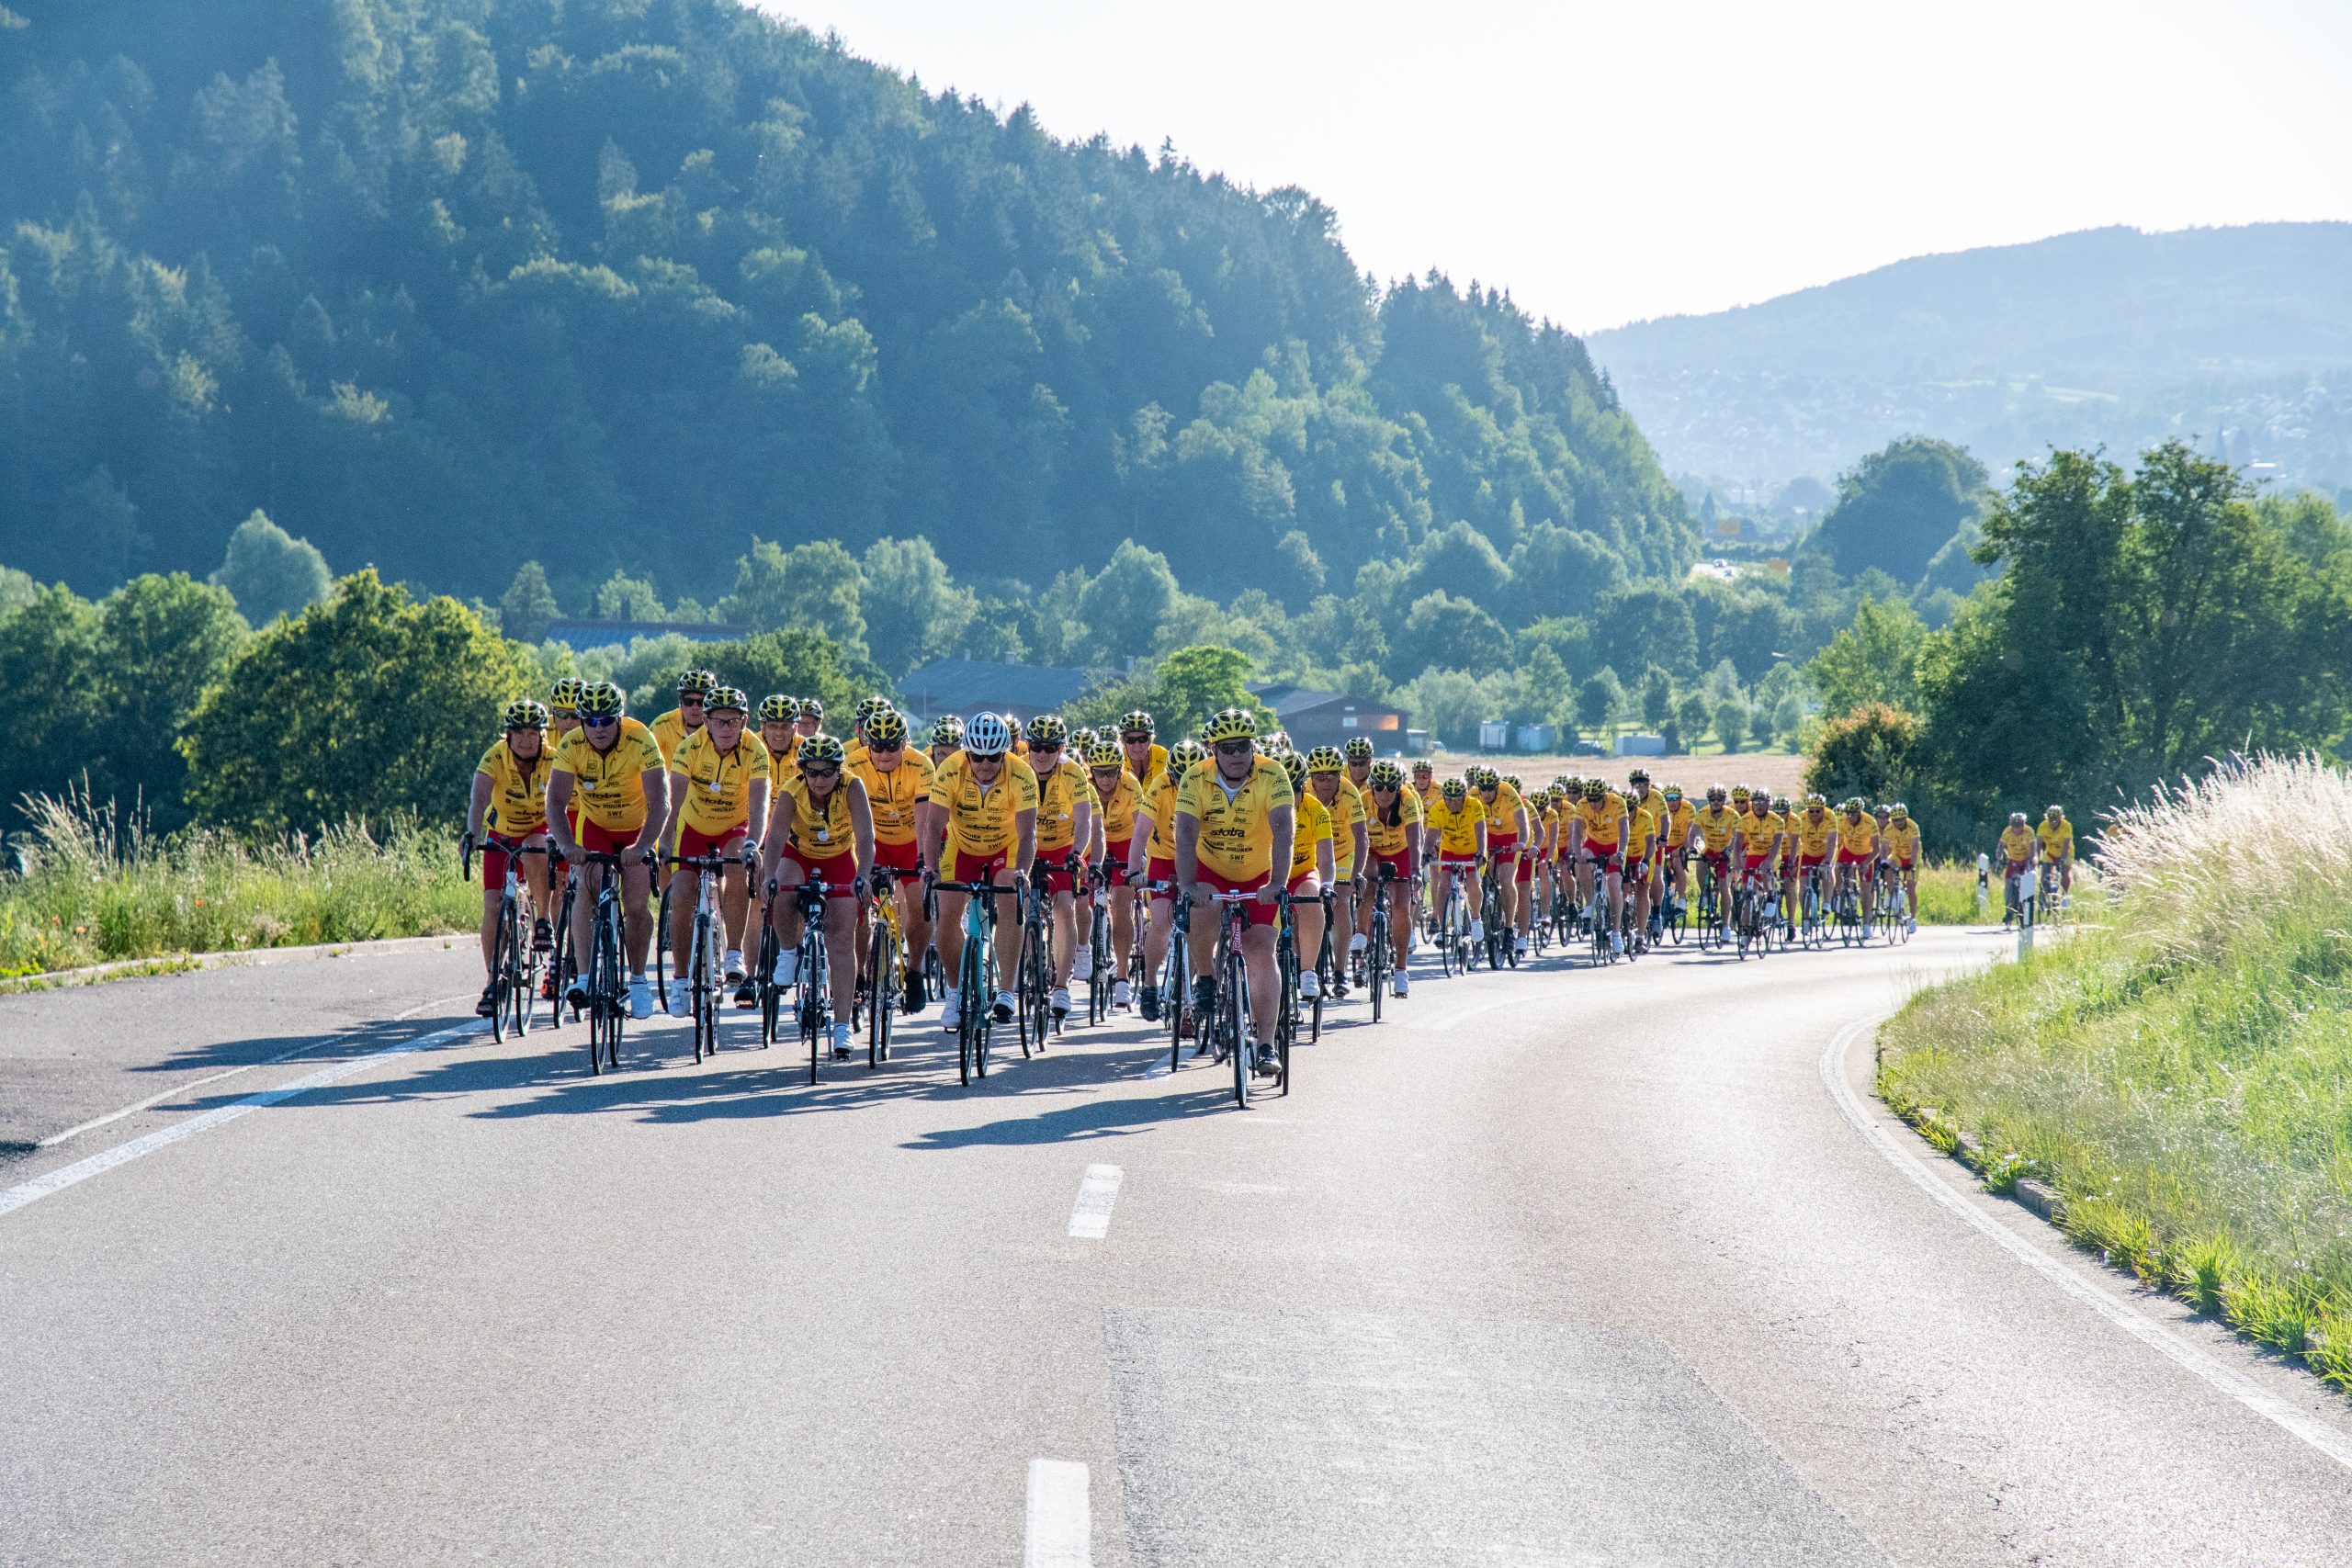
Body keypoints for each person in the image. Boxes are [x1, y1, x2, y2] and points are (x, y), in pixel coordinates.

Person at [1174, 708, 1295, 1077]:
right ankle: (1207, 977)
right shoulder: (1195, 778)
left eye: (1244, 745)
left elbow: (1283, 832)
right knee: (1201, 908)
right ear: (1214, 750)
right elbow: (1185, 835)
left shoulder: (1273, 774)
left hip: (1260, 875)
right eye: (1228, 748)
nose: (1237, 754)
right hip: (1212, 869)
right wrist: (1189, 885)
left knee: (1261, 951)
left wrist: (1276, 885)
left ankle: (1265, 1044)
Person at [547, 681, 670, 1020]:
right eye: (591, 721)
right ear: (582, 721)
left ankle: (639, 978)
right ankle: (584, 977)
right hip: (596, 827)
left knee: (635, 903)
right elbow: (555, 803)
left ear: (619, 718)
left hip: (638, 828)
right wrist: (567, 845)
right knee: (585, 886)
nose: (598, 729)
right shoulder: (571, 745)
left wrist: (643, 845)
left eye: (606, 720)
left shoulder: (641, 739)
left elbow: (661, 804)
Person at [922, 712, 1038, 1032]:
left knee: (1010, 906)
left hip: (1006, 848)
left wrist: (1023, 872)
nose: (985, 764)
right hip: (962, 848)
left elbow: (1028, 834)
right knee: (946, 916)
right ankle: (955, 990)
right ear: (967, 753)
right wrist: (930, 868)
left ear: (1005, 754)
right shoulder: (949, 770)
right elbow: (933, 827)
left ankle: (1006, 991)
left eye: (993, 757)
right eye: (977, 756)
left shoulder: (1022, 774)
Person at [762, 732, 873, 1059]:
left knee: (841, 939)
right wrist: (768, 876)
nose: (819, 779)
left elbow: (866, 837)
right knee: (782, 888)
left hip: (838, 857)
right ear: (803, 771)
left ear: (839, 771)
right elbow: (777, 837)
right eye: (813, 772)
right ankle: (787, 952)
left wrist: (862, 877)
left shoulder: (853, 787)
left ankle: (841, 1026)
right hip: (800, 854)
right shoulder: (791, 791)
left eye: (827, 772)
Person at [662, 686, 770, 1012]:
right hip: (694, 826)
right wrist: (666, 841)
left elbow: (759, 804)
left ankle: (734, 952)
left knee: (738, 864)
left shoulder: (756, 750)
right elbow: (674, 801)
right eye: (719, 721)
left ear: (744, 722)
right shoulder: (689, 747)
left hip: (733, 827)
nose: (726, 728)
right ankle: (681, 979)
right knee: (680, 896)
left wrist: (753, 842)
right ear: (705, 722)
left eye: (733, 721)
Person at [463, 698, 554, 1016]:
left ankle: (543, 920)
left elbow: (567, 800)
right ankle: (492, 980)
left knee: (537, 845)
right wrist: (472, 835)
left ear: (543, 735)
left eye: (533, 733)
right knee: (492, 905)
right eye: (519, 733)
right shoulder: (494, 758)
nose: (527, 739)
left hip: (538, 829)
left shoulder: (553, 759)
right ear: (508, 735)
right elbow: (478, 801)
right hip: (501, 833)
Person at [852, 705, 937, 1011]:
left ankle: (914, 971)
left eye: (892, 745)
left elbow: (925, 820)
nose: (884, 753)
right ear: (867, 744)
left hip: (910, 841)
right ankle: (859, 975)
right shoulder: (854, 765)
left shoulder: (921, 765)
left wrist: (923, 859)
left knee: (920, 908)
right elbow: (849, 819)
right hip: (872, 842)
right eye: (877, 745)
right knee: (858, 908)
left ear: (905, 743)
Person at [1023, 713, 1097, 1019]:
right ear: (1027, 746)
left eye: (1050, 748)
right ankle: (1025, 960)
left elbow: (1085, 820)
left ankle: (1062, 986)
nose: (1042, 754)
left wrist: (1078, 853)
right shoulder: (1017, 769)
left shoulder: (1074, 774)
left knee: (1065, 908)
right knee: (1021, 907)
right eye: (1037, 747)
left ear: (1061, 749)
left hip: (1062, 848)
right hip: (1025, 845)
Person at [1130, 738, 1205, 1022]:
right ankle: (1149, 986)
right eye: (1177, 779)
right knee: (1161, 921)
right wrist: (1134, 870)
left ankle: (1189, 990)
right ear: (1170, 774)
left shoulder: (1211, 783)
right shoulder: (1160, 785)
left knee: (1197, 926)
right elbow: (1140, 833)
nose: (1183, 785)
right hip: (1163, 859)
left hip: (1199, 860)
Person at [1085, 737, 1144, 1008]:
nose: (1105, 778)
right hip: (1094, 841)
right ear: (1092, 771)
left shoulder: (1131, 785)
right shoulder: (1084, 788)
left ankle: (1122, 977)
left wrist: (1139, 860)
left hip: (1124, 844)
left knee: (1121, 905)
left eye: (1111, 772)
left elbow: (1140, 826)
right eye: (1100, 772)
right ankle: (1094, 939)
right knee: (1084, 899)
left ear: (1120, 771)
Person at [1305, 747, 1367, 997]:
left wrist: (1355, 876)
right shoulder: (1304, 791)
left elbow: (1362, 838)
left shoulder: (1350, 793)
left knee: (1341, 900)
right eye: (1319, 777)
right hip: (1311, 854)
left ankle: (1340, 971)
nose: (1325, 782)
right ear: (1311, 777)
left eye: (1331, 776)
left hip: (1342, 854)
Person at [1360, 761, 1420, 997]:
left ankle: (1401, 970)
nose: (1385, 794)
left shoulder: (1408, 800)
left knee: (1401, 905)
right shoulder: (1363, 800)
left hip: (1401, 852)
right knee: (1368, 885)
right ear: (1372, 787)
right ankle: (1361, 937)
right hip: (1372, 851)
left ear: (1398, 788)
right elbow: (1357, 838)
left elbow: (1416, 839)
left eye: (1390, 788)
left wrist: (1415, 871)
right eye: (1380, 788)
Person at [1281, 752, 1338, 999]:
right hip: (1267, 874)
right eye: (1282, 788)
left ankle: (1308, 972)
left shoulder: (1316, 810)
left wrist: (1327, 884)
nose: (1288, 796)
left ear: (1302, 786)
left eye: (1293, 788)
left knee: (1314, 899)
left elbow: (1325, 855)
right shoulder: (1260, 807)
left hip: (1302, 873)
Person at [1474, 766, 1532, 957]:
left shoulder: (1508, 792)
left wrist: (1522, 842)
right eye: (1483, 788)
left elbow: (1523, 824)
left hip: (1509, 837)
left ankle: (1508, 930)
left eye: (1490, 788)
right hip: (1488, 835)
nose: (1486, 792)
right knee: (1477, 874)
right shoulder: (1473, 795)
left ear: (1497, 786)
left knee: (1507, 880)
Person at [1423, 777, 1487, 950]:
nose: (1452, 802)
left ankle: (1475, 919)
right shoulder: (1438, 809)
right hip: (1450, 848)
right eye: (1448, 798)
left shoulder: (1474, 805)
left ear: (1464, 797)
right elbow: (1430, 837)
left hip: (1473, 849)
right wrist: (1426, 852)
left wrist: (1480, 853)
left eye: (1456, 799)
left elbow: (1481, 831)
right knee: (1443, 884)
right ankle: (1443, 929)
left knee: (1473, 881)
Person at [1575, 776, 1630, 955]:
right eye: (1589, 799)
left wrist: (1620, 853)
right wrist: (1576, 854)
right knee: (1582, 857)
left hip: (1614, 844)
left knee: (1614, 885)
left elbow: (1624, 830)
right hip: (1594, 843)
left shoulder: (1617, 802)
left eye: (1595, 799)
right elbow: (1577, 831)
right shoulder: (1582, 805)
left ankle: (1615, 934)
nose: (1592, 803)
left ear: (1604, 796)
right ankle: (1590, 904)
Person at [650, 669, 718, 766]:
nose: (695, 707)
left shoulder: (722, 729)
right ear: (680, 702)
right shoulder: (661, 726)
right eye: (689, 702)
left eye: (701, 702)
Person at [1882, 802, 1922, 933]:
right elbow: (1884, 846)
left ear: (1905, 818)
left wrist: (1911, 863)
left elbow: (1915, 846)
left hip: (1912, 856)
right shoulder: (1889, 828)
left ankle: (1913, 918)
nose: (1898, 823)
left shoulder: (1913, 826)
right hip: (1897, 854)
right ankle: (1892, 895)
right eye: (1895, 820)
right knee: (1888, 865)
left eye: (1900, 820)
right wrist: (1883, 860)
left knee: (1910, 887)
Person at [1997, 810, 2037, 925]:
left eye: (2019, 826)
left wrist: (2031, 860)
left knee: (2028, 881)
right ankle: (2009, 912)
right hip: (2013, 859)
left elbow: (2033, 848)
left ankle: (2026, 909)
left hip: (2026, 859)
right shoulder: (2007, 832)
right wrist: (1999, 858)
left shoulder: (2029, 831)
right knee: (2009, 885)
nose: (2017, 829)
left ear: (2023, 825)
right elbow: (2000, 847)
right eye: (2014, 827)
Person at [2038, 805, 2075, 898]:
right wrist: (2037, 858)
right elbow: (2038, 843)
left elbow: (2066, 844)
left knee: (2065, 874)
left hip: (2066, 853)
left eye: (2055, 819)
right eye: (2050, 819)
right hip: (2050, 853)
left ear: (2060, 818)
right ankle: (2043, 898)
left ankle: (2064, 896)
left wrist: (2062, 860)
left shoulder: (2066, 826)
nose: (2052, 822)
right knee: (2044, 876)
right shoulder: (2043, 826)